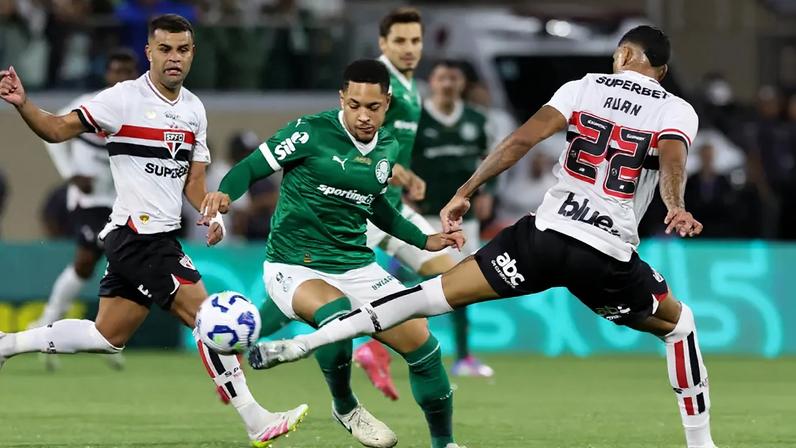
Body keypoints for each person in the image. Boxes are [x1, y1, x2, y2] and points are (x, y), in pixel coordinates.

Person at [250, 26, 719, 448]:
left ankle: (305, 344)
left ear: (621, 54)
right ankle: (701, 445)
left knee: (428, 297)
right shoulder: (676, 108)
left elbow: (520, 140)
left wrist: (464, 192)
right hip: (605, 255)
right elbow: (672, 157)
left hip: (543, 236)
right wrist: (675, 206)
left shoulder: (584, 87)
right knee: (680, 326)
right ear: (662, 69)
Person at [0, 14, 307, 447]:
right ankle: (256, 420)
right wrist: (23, 103)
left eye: (182, 50)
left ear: (193, 52)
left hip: (152, 237)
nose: (174, 58)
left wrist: (211, 213)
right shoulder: (121, 100)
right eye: (164, 49)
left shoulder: (194, 110)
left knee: (108, 336)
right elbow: (57, 129)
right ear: (149, 51)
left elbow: (194, 183)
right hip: (137, 235)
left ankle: (7, 344)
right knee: (208, 317)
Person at [201, 59, 465, 448]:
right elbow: (252, 167)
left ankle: (445, 444)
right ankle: (346, 407)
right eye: (354, 104)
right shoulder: (310, 132)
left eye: (372, 107)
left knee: (424, 347)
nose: (363, 115)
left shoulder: (387, 145)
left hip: (356, 264)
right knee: (335, 316)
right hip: (293, 265)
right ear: (342, 98)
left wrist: (424, 240)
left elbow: (376, 206)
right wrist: (226, 192)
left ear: (387, 103)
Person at [355, 6, 471, 401]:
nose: (409, 48)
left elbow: (392, 153)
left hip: (393, 208)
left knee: (452, 279)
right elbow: (359, 144)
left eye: (416, 41)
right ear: (383, 44)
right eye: (400, 41)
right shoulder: (375, 83)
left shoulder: (410, 87)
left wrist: (405, 175)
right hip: (362, 208)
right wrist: (392, 170)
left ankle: (373, 345)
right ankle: (232, 346)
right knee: (309, 301)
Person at [29, 48, 139, 372]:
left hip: (121, 200)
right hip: (88, 201)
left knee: (119, 265)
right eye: (115, 70)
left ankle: (106, 337)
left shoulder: (141, 109)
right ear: (107, 74)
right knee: (87, 259)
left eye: (127, 70)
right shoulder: (90, 104)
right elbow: (49, 134)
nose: (121, 76)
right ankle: (48, 327)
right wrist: (70, 175)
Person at [410, 59, 494, 377]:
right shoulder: (417, 118)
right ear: (431, 81)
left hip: (462, 219)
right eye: (441, 77)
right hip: (425, 214)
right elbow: (401, 160)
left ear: (462, 83)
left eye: (453, 78)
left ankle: (463, 357)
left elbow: (489, 159)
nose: (447, 83)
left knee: (463, 286)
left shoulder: (476, 119)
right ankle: (393, 346)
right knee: (416, 283)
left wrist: (487, 192)